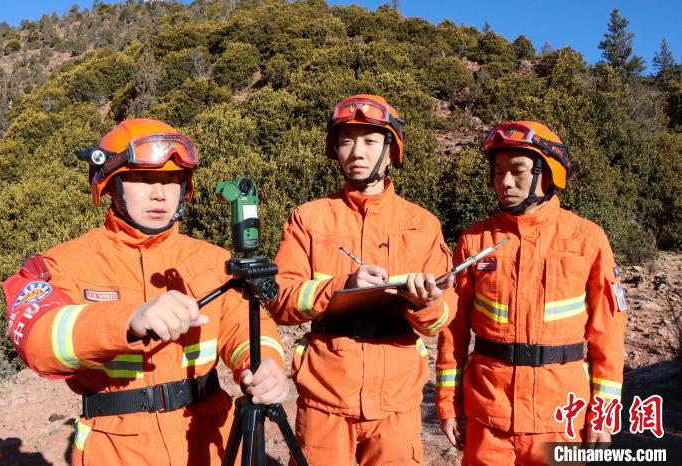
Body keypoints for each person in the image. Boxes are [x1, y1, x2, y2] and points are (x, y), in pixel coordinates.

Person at [2, 119, 288, 466]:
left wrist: (266, 364)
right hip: (115, 450)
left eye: (171, 180)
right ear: (111, 184)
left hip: (211, 442)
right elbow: (37, 341)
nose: (159, 193)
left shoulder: (213, 260)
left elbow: (243, 327)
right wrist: (127, 322)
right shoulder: (63, 264)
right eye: (142, 178)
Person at [266, 94, 457, 465]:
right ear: (334, 150)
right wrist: (342, 286)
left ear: (391, 150)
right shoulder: (308, 219)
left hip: (397, 399)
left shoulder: (422, 224)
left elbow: (442, 316)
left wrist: (427, 304)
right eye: (346, 141)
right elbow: (281, 300)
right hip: (324, 394)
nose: (356, 152)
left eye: (370, 141)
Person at [436, 121, 628, 465]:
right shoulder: (475, 241)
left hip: (560, 417)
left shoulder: (587, 239)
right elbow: (454, 331)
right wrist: (448, 403)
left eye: (518, 171)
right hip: (488, 414)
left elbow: (608, 335)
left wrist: (604, 413)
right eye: (498, 172)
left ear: (549, 173)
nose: (505, 182)